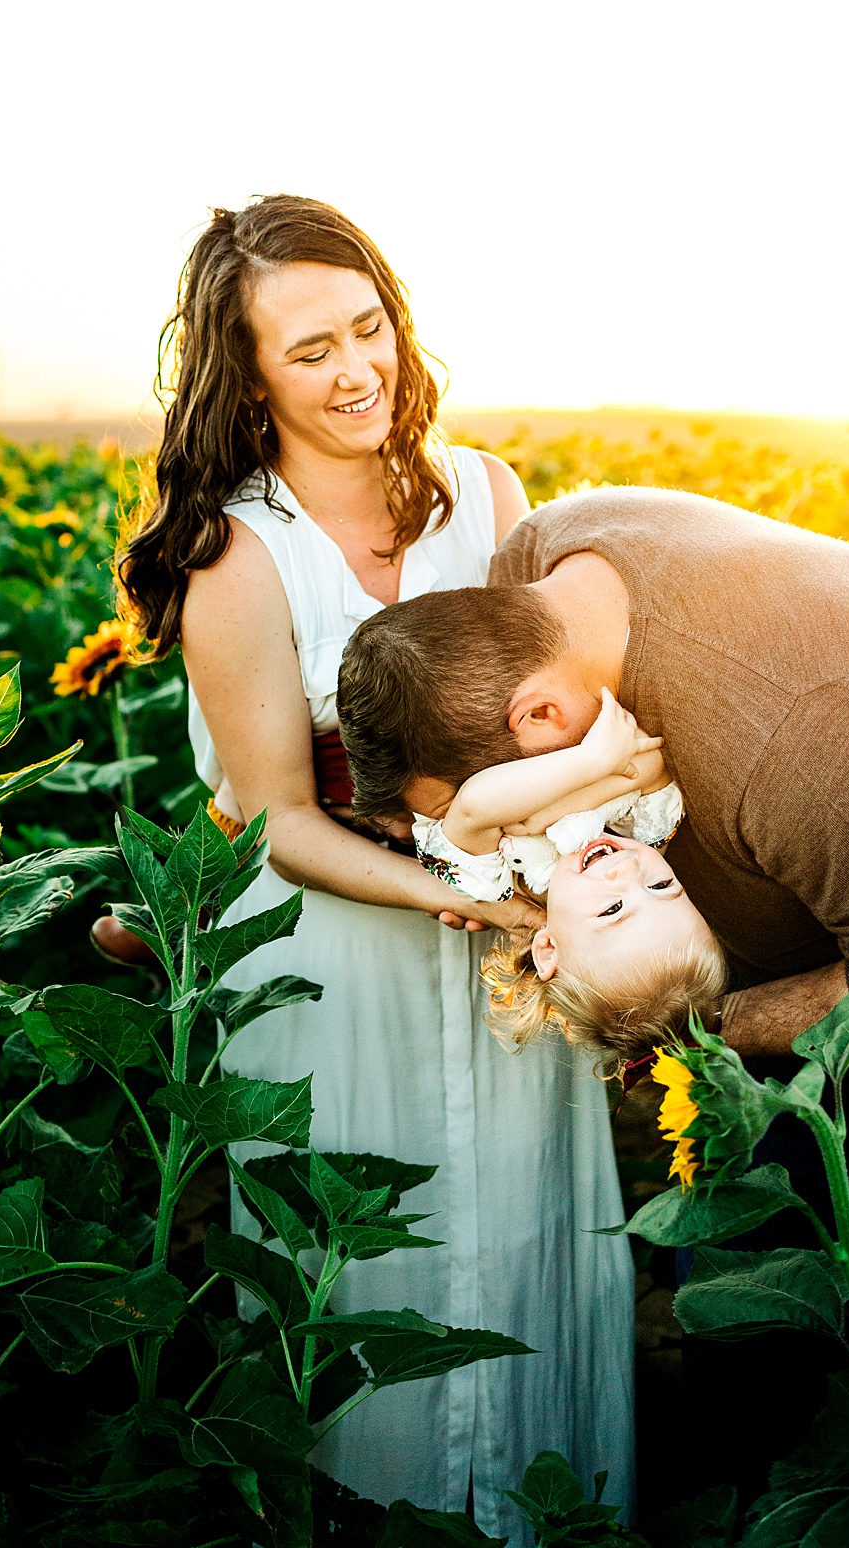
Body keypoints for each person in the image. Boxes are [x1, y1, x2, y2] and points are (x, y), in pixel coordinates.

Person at [101, 198, 636, 1533]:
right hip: (337, 946)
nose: (356, 372)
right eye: (309, 352)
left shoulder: (488, 496)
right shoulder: (239, 547)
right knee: (363, 1248)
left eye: (369, 328)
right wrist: (445, 893)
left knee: (525, 1217)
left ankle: (541, 1513)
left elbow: (548, 713)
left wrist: (565, 859)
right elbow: (278, 814)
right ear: (250, 376)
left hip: (516, 925)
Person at [337, 481, 849, 1491]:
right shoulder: (544, 562)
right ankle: (739, 1487)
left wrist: (702, 1027)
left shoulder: (789, 722)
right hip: (763, 927)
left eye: (476, 801)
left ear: (539, 715)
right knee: (731, 1287)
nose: (491, 826)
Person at [407, 686, 727, 1061]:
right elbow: (652, 761)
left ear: (547, 949)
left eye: (613, 910)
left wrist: (596, 764)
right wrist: (557, 806)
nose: (627, 871)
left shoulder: (490, 882)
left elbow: (474, 805)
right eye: (662, 885)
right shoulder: (642, 832)